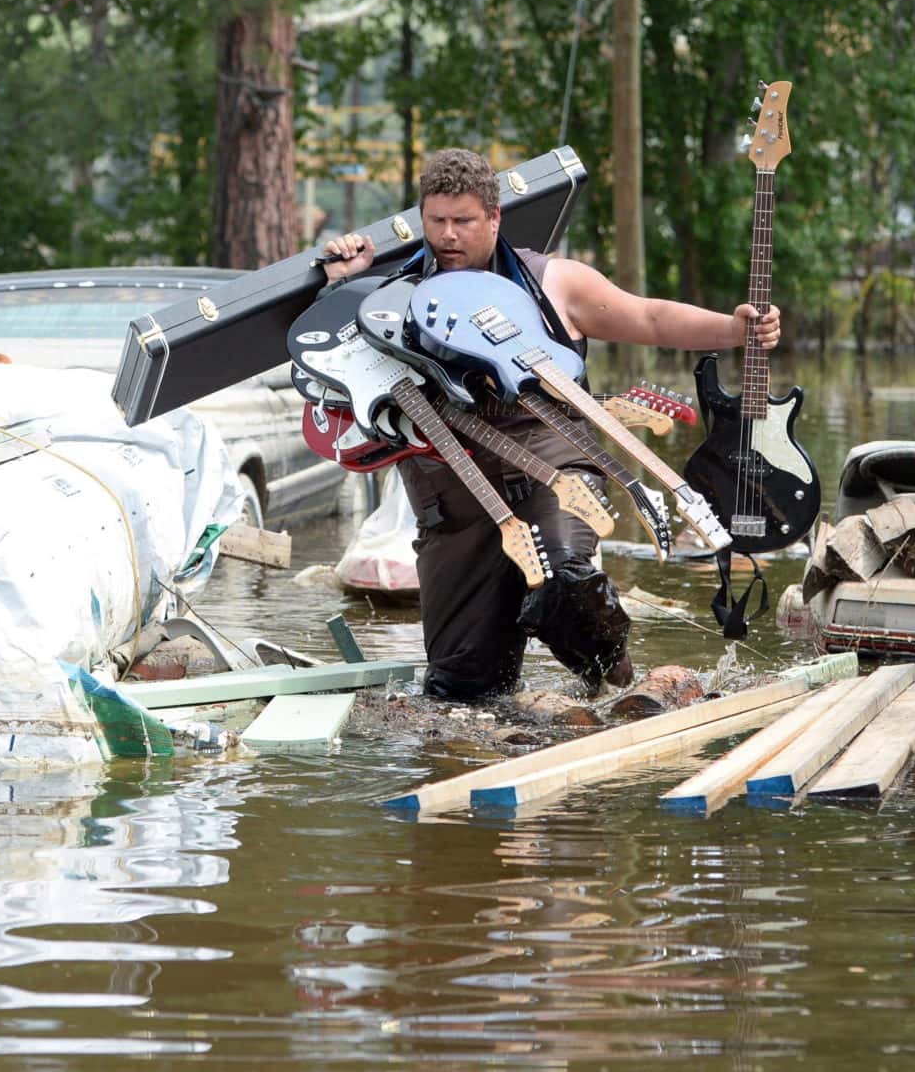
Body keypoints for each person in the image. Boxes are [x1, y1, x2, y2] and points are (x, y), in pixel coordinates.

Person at [321, 148, 780, 702]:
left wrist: (733, 330)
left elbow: (649, 317)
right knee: (461, 691)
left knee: (567, 582)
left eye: (464, 221)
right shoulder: (388, 300)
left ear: (494, 219)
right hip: (456, 511)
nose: (448, 236)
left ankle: (616, 681)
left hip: (554, 478)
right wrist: (342, 287)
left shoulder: (551, 282)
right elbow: (337, 368)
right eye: (436, 221)